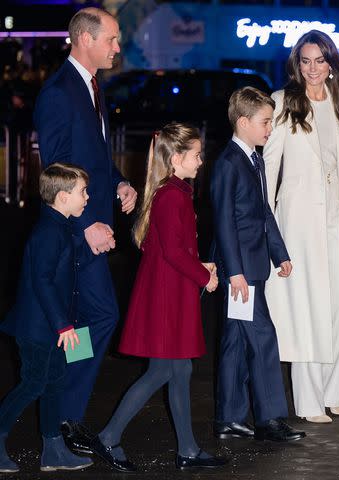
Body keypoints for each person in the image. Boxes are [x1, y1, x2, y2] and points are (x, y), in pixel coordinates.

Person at [89, 123, 227, 472]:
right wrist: (203, 277)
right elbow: (173, 252)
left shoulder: (172, 191)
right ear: (177, 158)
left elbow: (174, 247)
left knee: (179, 370)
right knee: (162, 371)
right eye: (196, 155)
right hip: (168, 299)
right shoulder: (171, 195)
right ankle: (108, 437)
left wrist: (200, 265)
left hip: (171, 294)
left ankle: (188, 449)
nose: (201, 161)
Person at [33, 7, 137, 452]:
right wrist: (85, 227)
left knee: (88, 322)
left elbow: (91, 156)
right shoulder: (59, 93)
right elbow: (55, 176)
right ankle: (60, 419)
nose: (118, 47)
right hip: (74, 235)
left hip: (89, 228)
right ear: (84, 39)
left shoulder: (90, 88)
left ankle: (64, 418)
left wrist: (119, 182)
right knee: (94, 318)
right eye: (112, 39)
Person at [263, 30, 339, 423]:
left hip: (334, 223)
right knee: (304, 308)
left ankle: (334, 392)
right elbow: (269, 168)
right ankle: (308, 402)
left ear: (330, 63)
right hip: (296, 223)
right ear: (296, 63)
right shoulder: (282, 102)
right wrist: (266, 222)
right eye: (305, 60)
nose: (312, 68)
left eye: (319, 61)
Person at [211, 86, 305, 442]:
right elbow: (222, 222)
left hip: (252, 268)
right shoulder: (228, 164)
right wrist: (234, 271)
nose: (270, 128)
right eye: (266, 122)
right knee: (264, 339)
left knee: (236, 343)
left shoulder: (254, 159)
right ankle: (269, 419)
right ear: (244, 122)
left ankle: (229, 418)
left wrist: (279, 252)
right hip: (242, 274)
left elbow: (263, 212)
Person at [0, 163, 93, 473]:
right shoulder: (49, 231)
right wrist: (63, 324)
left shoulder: (60, 226)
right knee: (33, 384)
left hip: (54, 328)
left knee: (55, 383)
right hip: (39, 328)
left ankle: (53, 450)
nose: (87, 197)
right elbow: (42, 280)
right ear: (63, 197)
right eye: (83, 192)